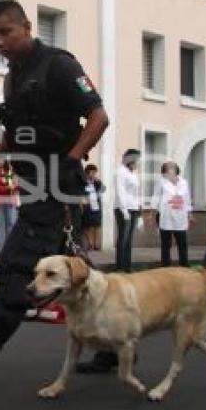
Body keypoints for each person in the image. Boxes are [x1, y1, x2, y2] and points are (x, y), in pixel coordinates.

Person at [0, 0, 109, 390]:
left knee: (16, 272)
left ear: (26, 27)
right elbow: (11, 137)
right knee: (77, 269)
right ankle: (113, 348)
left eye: (6, 32)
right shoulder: (13, 78)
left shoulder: (59, 65)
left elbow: (99, 117)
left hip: (56, 189)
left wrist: (72, 158)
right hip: (31, 187)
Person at [77, 149, 141, 374]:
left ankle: (112, 351)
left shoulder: (132, 173)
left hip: (65, 219)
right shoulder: (120, 173)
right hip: (67, 216)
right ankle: (110, 351)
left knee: (92, 292)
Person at [148, 161, 193, 267]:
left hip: (180, 216)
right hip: (165, 216)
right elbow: (156, 197)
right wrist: (151, 214)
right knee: (166, 244)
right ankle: (166, 266)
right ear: (164, 172)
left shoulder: (184, 182)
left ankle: (184, 265)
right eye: (167, 168)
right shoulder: (161, 182)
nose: (170, 170)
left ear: (176, 170)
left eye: (172, 168)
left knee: (182, 243)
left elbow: (187, 199)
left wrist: (190, 214)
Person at [114, 149, 141, 272]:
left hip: (134, 208)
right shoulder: (120, 172)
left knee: (129, 240)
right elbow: (120, 192)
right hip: (123, 208)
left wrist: (139, 209)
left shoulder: (134, 174)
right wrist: (124, 210)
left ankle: (127, 267)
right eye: (136, 159)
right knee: (123, 239)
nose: (137, 162)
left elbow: (136, 193)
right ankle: (120, 267)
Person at [0, 159, 19, 254]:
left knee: (11, 224)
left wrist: (14, 186)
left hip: (10, 201)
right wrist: (7, 188)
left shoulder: (11, 172)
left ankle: (10, 247)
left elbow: (18, 185)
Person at [81, 164, 105, 251]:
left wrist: (98, 181)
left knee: (97, 226)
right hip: (87, 207)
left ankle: (96, 244)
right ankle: (90, 244)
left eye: (95, 172)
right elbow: (81, 193)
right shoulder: (83, 182)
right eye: (92, 172)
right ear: (87, 173)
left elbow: (103, 189)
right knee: (88, 226)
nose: (94, 174)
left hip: (96, 207)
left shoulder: (97, 183)